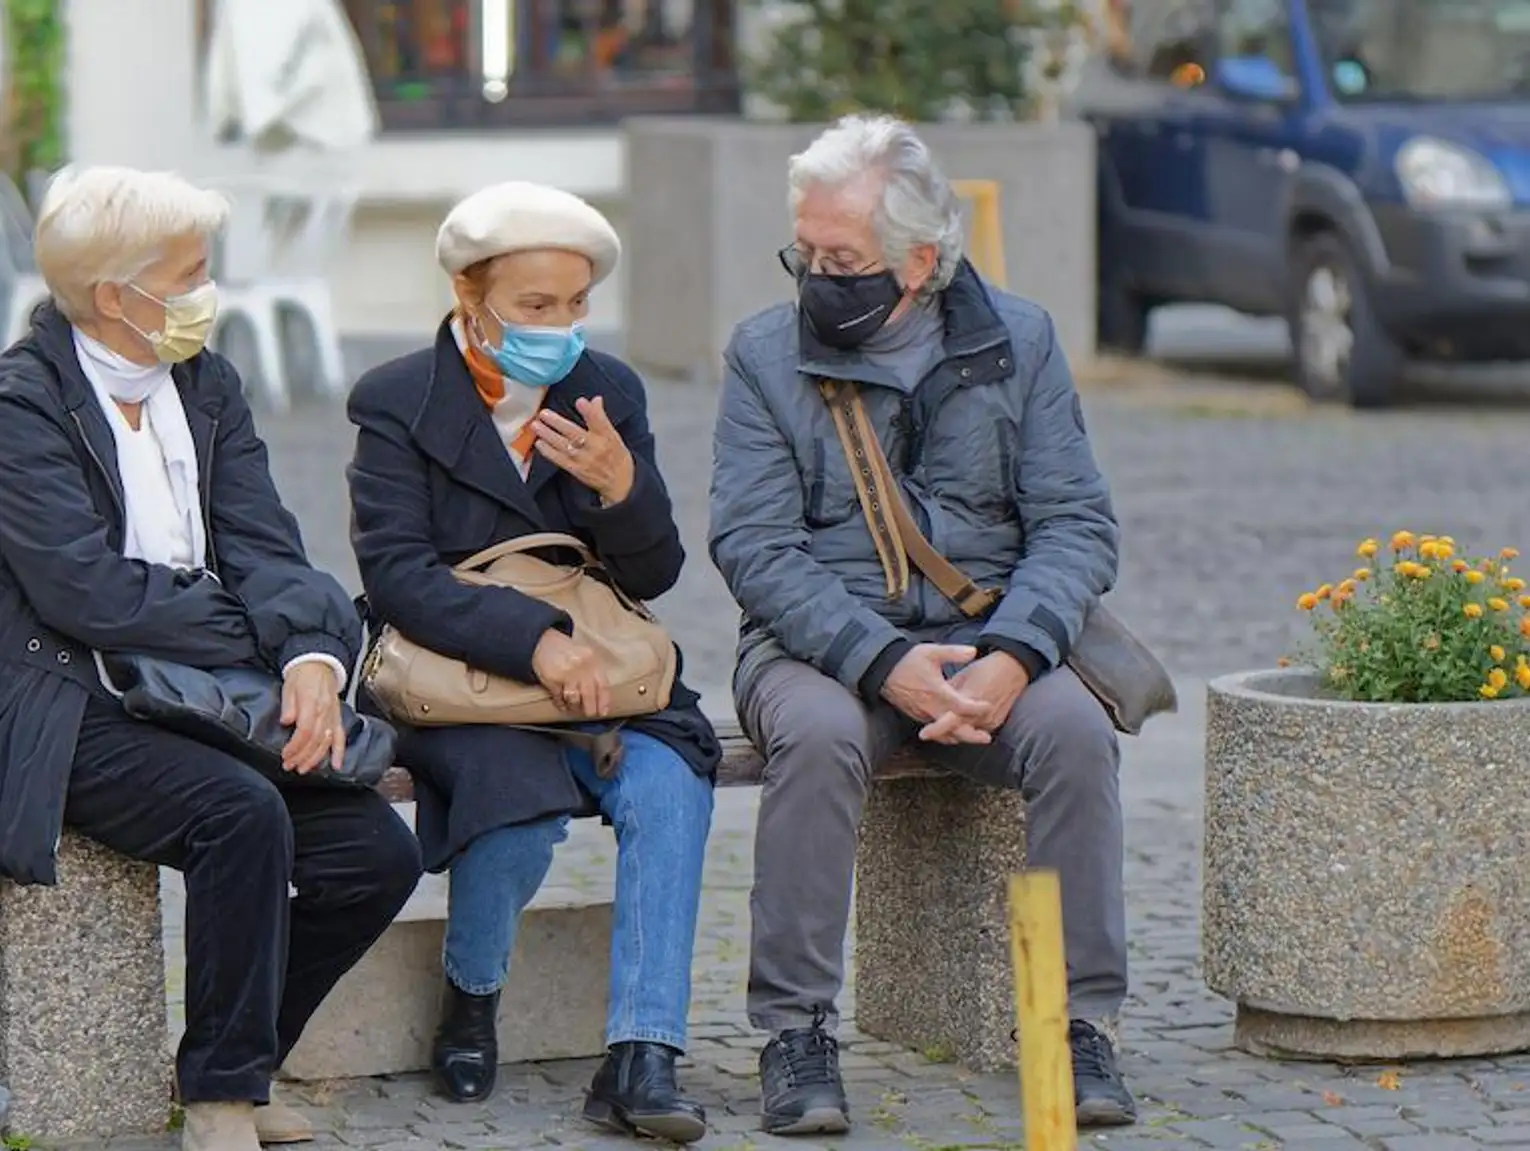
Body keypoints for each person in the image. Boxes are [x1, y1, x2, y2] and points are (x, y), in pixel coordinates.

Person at [708, 114, 1135, 1135]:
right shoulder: (765, 354)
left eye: (841, 258)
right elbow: (755, 548)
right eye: (803, 253)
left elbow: (1076, 524)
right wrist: (882, 659)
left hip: (992, 636)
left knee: (1075, 732)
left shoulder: (1019, 341)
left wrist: (1016, 655)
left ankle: (1072, 1024)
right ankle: (797, 1030)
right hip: (817, 646)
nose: (816, 275)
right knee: (815, 736)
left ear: (921, 261)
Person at [0, 166, 424, 1151]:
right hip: (71, 703)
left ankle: (248, 1054)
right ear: (115, 295)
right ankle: (223, 1095)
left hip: (206, 693)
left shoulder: (204, 382)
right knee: (241, 813)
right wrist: (257, 631)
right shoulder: (22, 406)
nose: (206, 293)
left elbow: (267, 543)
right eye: (189, 274)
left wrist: (314, 655)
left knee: (374, 853)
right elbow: (87, 595)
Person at [346, 181, 719, 1143]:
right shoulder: (396, 402)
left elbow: (656, 572)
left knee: (670, 784)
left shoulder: (608, 393)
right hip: (470, 690)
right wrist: (536, 642)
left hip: (604, 686)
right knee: (513, 813)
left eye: (577, 304)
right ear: (471, 297)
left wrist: (623, 490)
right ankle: (472, 997)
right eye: (536, 306)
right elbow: (395, 575)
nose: (562, 327)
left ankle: (644, 1054)